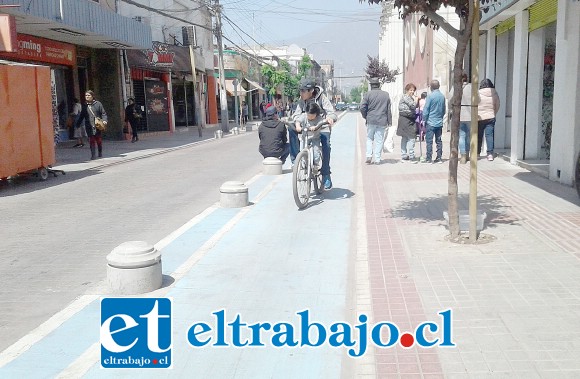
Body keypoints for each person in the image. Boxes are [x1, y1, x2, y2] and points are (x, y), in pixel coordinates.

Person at [291, 78, 337, 189]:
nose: (301, 93)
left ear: (311, 91)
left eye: (303, 91)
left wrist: (330, 119)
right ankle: (296, 160)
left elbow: (332, 113)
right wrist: (298, 123)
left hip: (321, 126)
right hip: (306, 126)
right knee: (290, 129)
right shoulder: (302, 100)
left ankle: (326, 174)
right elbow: (296, 115)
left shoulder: (322, 97)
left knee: (326, 145)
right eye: (300, 91)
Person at [360, 77, 392, 165]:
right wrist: (390, 121)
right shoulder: (386, 95)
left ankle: (369, 156)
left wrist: (365, 116)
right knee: (379, 140)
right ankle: (377, 159)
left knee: (369, 138)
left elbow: (362, 107)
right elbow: (388, 109)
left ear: (371, 86)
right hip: (382, 120)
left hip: (371, 119)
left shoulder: (367, 94)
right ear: (379, 85)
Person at [76, 90, 108, 160]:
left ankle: (100, 151)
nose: (87, 97)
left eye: (88, 95)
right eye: (86, 95)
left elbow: (103, 113)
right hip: (89, 125)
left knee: (98, 139)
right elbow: (82, 115)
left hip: (97, 125)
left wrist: (105, 120)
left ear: (92, 96)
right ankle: (93, 154)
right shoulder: (84, 106)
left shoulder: (98, 104)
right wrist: (77, 124)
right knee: (91, 139)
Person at [422, 80, 446, 164]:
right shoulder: (442, 96)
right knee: (439, 140)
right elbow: (444, 110)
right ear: (439, 86)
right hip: (439, 122)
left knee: (429, 141)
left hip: (430, 122)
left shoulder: (430, 96)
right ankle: (439, 157)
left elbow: (426, 110)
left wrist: (424, 119)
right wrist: (440, 117)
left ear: (431, 87)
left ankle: (429, 158)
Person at [455, 73, 477, 164]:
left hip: (459, 115)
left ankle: (463, 156)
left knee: (461, 136)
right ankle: (468, 154)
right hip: (470, 114)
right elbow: (478, 100)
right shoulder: (472, 87)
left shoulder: (456, 87)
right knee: (469, 136)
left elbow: (450, 99)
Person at [478, 78, 500, 161]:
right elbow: (497, 105)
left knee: (479, 136)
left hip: (480, 117)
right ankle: (490, 154)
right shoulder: (494, 93)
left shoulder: (478, 93)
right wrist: (494, 113)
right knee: (489, 135)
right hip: (491, 117)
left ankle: (477, 153)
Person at [396, 83, 418, 163]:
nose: (412, 92)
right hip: (406, 119)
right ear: (407, 90)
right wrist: (416, 100)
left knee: (405, 138)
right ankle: (411, 156)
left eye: (413, 90)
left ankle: (404, 155)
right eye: (410, 90)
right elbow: (412, 106)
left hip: (406, 119)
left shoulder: (408, 97)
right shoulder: (406, 97)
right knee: (411, 137)